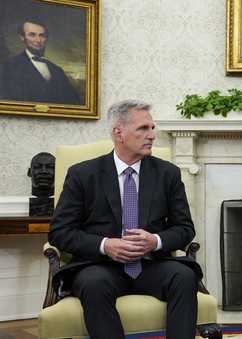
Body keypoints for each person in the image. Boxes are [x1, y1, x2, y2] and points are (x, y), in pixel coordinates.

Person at [48, 100, 200, 339]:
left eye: (152, 128)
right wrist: (106, 245)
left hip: (151, 264)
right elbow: (60, 232)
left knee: (184, 277)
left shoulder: (168, 173)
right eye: (143, 128)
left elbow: (184, 228)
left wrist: (156, 241)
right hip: (100, 265)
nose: (152, 135)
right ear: (119, 132)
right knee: (94, 284)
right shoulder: (83, 174)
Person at [0, 18, 82, 105]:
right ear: (22, 38)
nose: (38, 40)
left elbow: (74, 102)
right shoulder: (8, 67)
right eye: (32, 35)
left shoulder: (58, 70)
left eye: (42, 35)